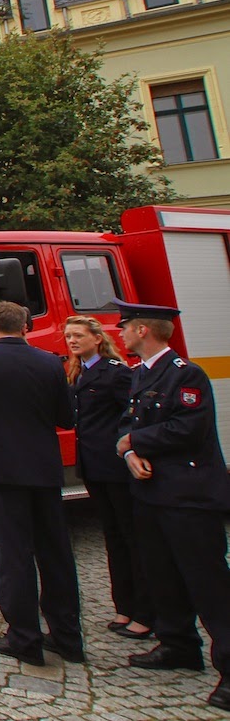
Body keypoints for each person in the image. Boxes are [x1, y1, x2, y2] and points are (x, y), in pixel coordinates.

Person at [113, 299, 230, 712]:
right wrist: (129, 453)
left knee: (208, 584)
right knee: (162, 575)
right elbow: (128, 424)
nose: (120, 332)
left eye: (125, 325)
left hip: (188, 496)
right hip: (152, 493)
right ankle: (178, 643)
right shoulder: (139, 375)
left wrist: (136, 443)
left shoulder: (185, 373)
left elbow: (189, 427)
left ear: (143, 330)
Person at [0, 301, 82, 666]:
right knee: (56, 552)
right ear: (25, 327)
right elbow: (65, 415)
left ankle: (24, 638)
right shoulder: (49, 361)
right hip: (44, 467)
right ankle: (67, 637)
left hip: (4, 467)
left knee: (14, 555)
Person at [66, 314, 152, 640]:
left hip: (114, 466)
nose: (72, 341)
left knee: (132, 538)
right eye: (68, 337)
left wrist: (129, 449)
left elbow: (132, 415)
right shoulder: (76, 373)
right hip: (92, 467)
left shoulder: (115, 373)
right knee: (113, 538)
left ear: (97, 338)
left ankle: (145, 612)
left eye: (78, 336)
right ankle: (124, 606)